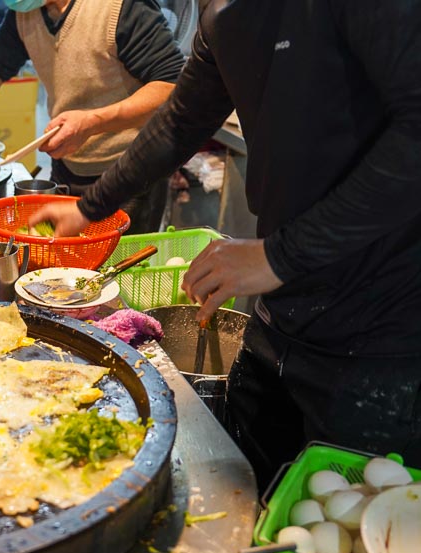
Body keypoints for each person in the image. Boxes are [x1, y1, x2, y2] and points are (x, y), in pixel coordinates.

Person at [30, 0, 421, 490]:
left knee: (342, 518)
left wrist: (277, 256)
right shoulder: (222, 11)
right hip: (287, 300)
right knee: (244, 481)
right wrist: (90, 206)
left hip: (382, 313)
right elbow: (180, 121)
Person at [0, 0, 185, 233]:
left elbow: (170, 86)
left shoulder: (119, 7)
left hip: (129, 174)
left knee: (116, 273)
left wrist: (93, 122)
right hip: (67, 166)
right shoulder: (25, 13)